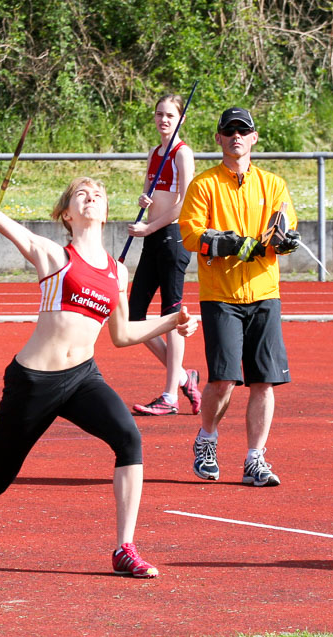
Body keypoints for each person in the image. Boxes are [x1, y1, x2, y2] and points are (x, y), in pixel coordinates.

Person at [0, 177, 198, 579]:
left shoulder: (118, 272)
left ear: (106, 213)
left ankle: (125, 548)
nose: (92, 198)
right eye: (81, 195)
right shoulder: (51, 253)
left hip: (83, 378)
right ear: (67, 214)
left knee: (128, 439)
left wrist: (172, 321)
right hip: (33, 381)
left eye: (99, 194)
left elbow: (122, 336)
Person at [177, 106, 301, 488]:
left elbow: (285, 228)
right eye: (229, 130)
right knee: (224, 381)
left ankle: (254, 458)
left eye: (242, 130)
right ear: (218, 138)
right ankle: (207, 439)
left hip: (265, 293)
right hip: (221, 295)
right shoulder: (204, 184)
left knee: (264, 381)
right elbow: (190, 234)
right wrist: (229, 241)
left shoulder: (273, 184)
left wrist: (285, 241)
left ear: (254, 137)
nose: (236, 136)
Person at [128, 94, 202, 417]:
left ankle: (170, 395)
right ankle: (184, 376)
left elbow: (183, 205)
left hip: (172, 240)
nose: (164, 120)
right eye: (159, 114)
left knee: (172, 317)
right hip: (152, 238)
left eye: (170, 115)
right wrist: (144, 202)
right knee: (133, 317)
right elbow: (150, 191)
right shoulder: (154, 153)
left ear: (180, 119)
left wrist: (149, 227)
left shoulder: (181, 153)